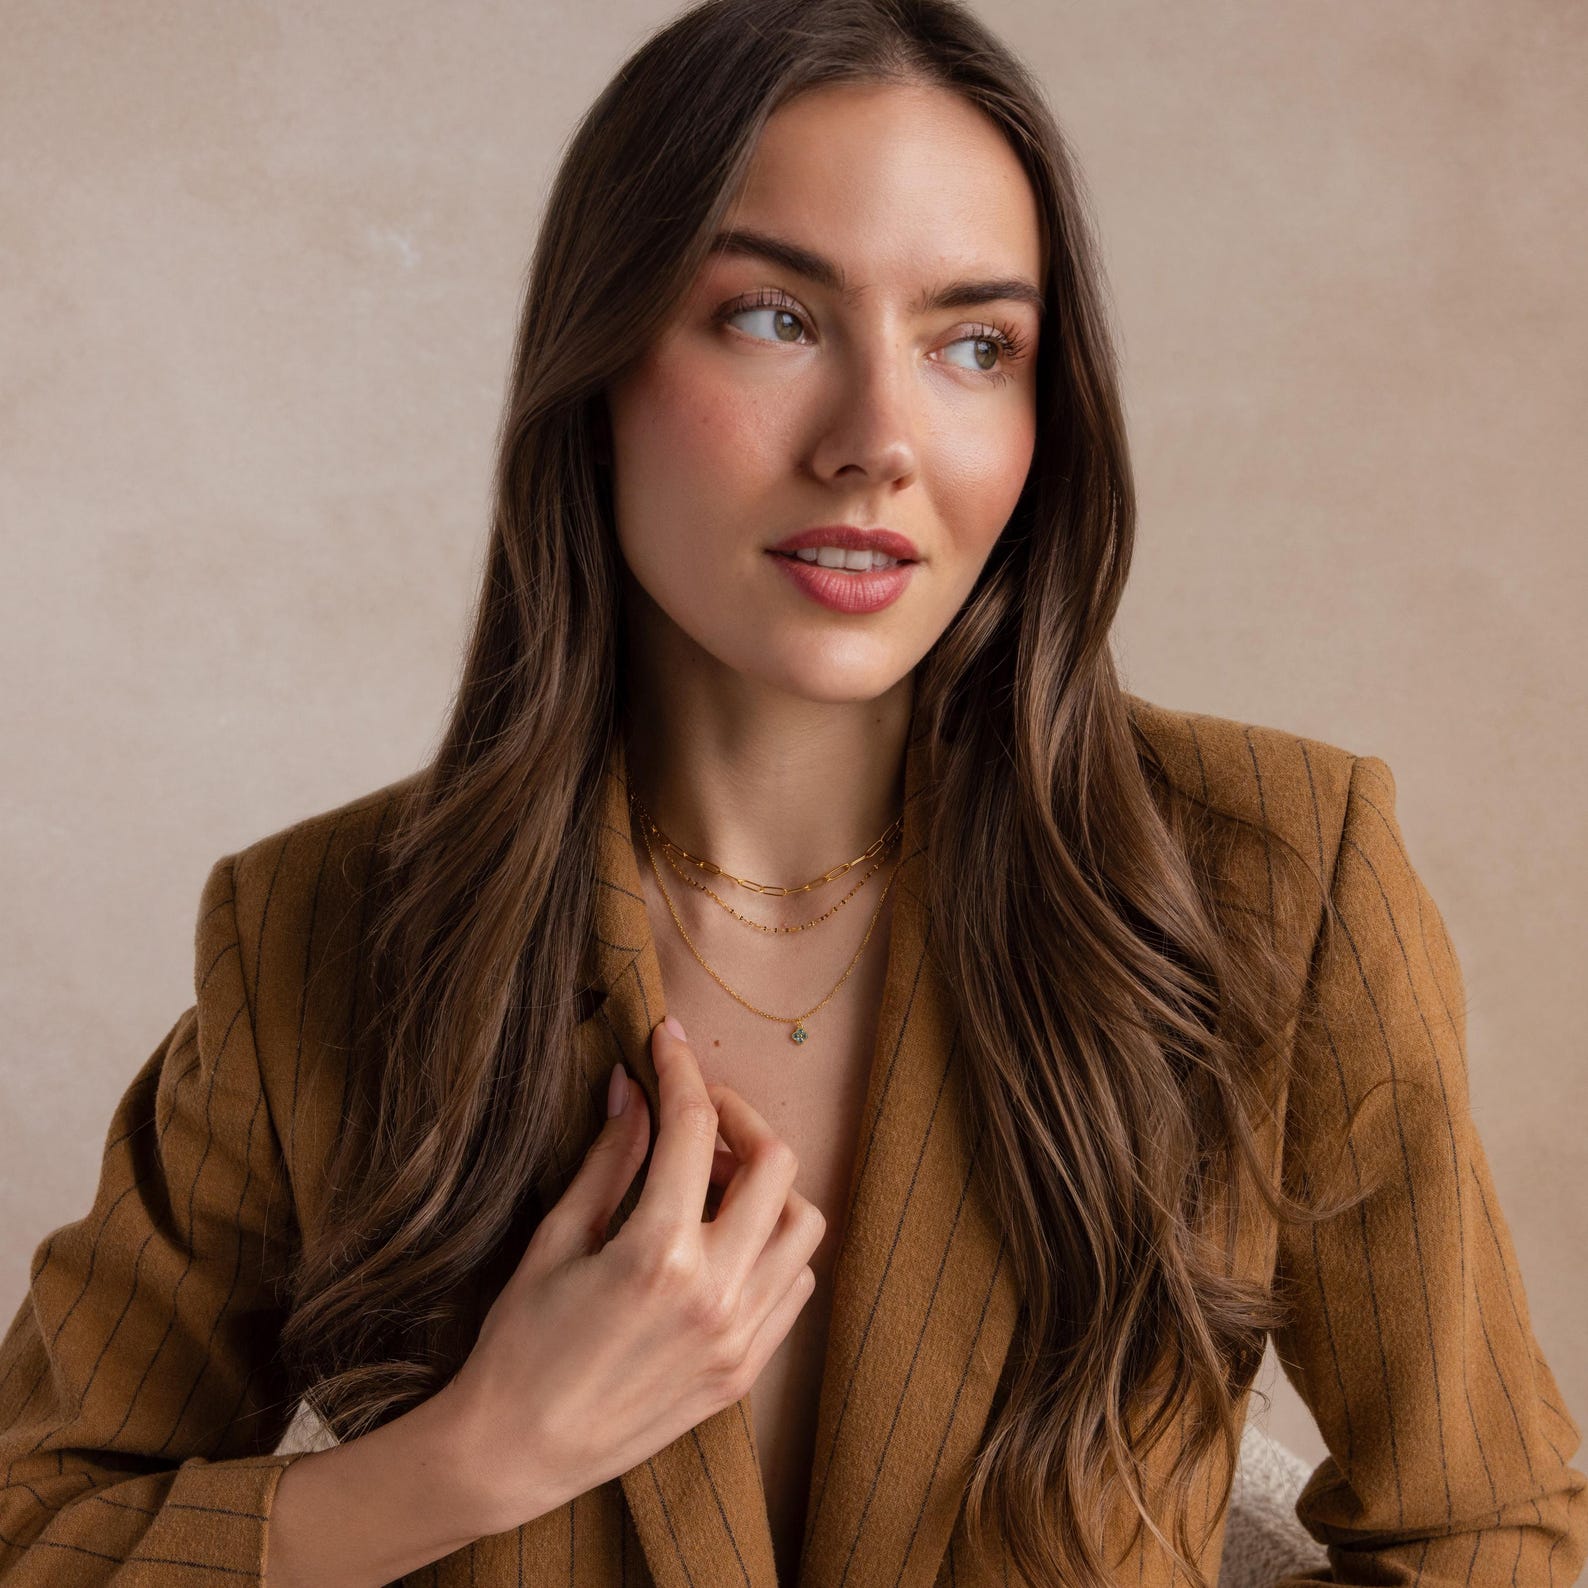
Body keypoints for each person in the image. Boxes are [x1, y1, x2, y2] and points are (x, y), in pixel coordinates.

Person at [2, 1, 1583, 1585]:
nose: (878, 442)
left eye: (976, 345)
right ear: (599, 357)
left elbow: (1495, 1540)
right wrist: (470, 1459)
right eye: (773, 316)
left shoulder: (1273, 884)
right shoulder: (319, 939)